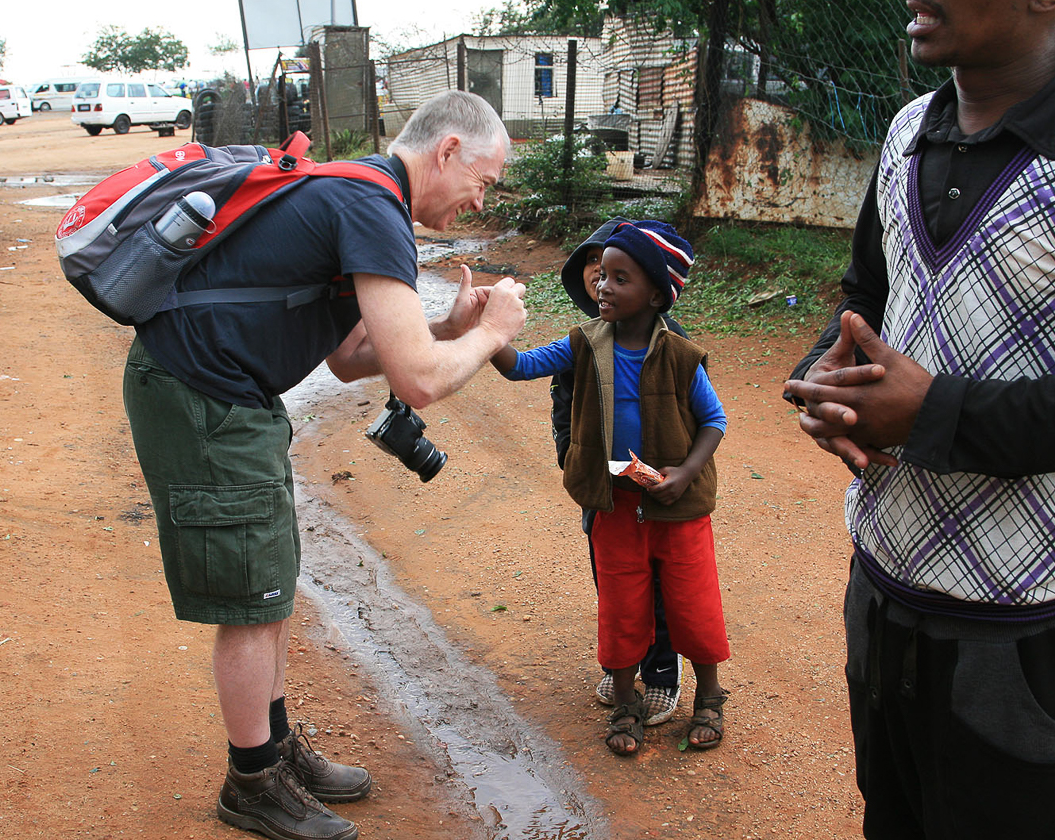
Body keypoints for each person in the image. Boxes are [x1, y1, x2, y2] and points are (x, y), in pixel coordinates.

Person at [122, 89, 527, 840]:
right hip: (202, 390)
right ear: (447, 151)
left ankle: (273, 749)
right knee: (252, 593)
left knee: (270, 580)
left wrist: (443, 324)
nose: (481, 198)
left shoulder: (359, 190)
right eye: (485, 180)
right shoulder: (372, 205)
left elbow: (347, 358)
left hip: (228, 392)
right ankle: (252, 782)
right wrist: (493, 331)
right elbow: (420, 381)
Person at [783, 0, 1055, 837]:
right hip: (884, 593)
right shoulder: (905, 131)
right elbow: (869, 292)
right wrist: (828, 374)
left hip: (1029, 624)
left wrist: (935, 415)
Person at [492, 220, 730, 755]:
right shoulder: (584, 343)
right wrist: (488, 331)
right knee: (621, 604)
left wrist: (685, 473)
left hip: (679, 507)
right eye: (602, 276)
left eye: (620, 279)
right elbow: (519, 367)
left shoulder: (682, 355)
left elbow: (714, 420)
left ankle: (710, 697)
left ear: (655, 294)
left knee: (692, 604)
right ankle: (627, 704)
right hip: (614, 506)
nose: (603, 287)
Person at [553, 217, 687, 725]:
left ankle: (661, 674)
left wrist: (676, 472)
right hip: (603, 492)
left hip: (655, 491)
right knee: (612, 582)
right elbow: (561, 402)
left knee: (658, 584)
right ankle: (621, 665)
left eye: (609, 266)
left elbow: (697, 416)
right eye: (591, 262)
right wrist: (571, 455)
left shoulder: (671, 342)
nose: (598, 274)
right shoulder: (582, 341)